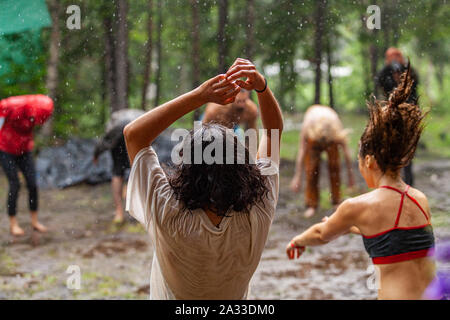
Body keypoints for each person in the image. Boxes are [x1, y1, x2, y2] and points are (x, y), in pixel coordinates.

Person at [124, 58, 282, 299]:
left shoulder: (167, 211)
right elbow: (273, 133)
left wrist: (200, 95)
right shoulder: (258, 208)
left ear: (187, 168)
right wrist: (261, 86)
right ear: (243, 166)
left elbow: (134, 134)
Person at [286, 66, 435, 300]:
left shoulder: (357, 207)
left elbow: (321, 233)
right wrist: (352, 226)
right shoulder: (420, 200)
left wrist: (298, 240)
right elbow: (396, 236)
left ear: (369, 161)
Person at [0, 94, 54, 236]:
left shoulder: (41, 112)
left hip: (25, 149)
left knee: (32, 184)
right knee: (15, 184)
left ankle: (34, 221)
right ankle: (13, 223)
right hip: (5, 148)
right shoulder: (12, 105)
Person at [289, 105, 355, 218]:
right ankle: (311, 204)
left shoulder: (335, 128)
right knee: (311, 168)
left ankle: (336, 201)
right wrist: (297, 176)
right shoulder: (308, 127)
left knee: (334, 165)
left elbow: (346, 152)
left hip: (331, 133)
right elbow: (302, 152)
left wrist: (350, 175)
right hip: (314, 133)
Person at [376, 47, 419, 186]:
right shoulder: (385, 73)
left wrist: (402, 72)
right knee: (390, 146)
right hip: (391, 114)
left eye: (397, 56)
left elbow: (414, 86)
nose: (394, 59)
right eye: (391, 57)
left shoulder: (409, 71)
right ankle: (391, 181)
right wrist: (390, 72)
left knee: (407, 149)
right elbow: (380, 83)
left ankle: (409, 183)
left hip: (408, 114)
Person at [93, 109, 144, 224]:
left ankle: (119, 211)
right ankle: (132, 209)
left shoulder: (117, 119)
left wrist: (96, 154)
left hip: (121, 137)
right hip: (133, 135)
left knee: (118, 173)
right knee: (135, 170)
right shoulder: (137, 117)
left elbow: (104, 141)